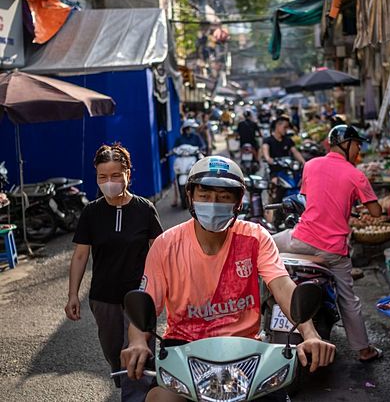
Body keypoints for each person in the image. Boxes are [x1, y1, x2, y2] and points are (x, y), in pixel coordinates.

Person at [120, 156, 335, 402]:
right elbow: (146, 301)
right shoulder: (166, 245)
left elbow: (282, 285)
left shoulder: (256, 237)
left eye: (224, 196)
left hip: (246, 350)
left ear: (238, 202)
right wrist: (137, 342)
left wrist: (310, 334)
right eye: (205, 194)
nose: (213, 203)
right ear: (190, 196)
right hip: (183, 349)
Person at [272, 125, 384, 363]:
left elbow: (309, 197)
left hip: (299, 242)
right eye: (357, 144)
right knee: (348, 298)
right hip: (333, 253)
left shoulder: (310, 165)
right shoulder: (356, 174)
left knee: (265, 245)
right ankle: (364, 350)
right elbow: (375, 212)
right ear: (346, 144)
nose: (359, 149)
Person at [65, 143, 163, 402]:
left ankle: (137, 394)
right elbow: (80, 255)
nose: (109, 182)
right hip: (103, 296)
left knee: (138, 353)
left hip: (140, 297)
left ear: (128, 173)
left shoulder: (144, 209)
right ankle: (123, 375)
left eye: (116, 175)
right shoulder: (91, 212)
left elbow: (159, 252)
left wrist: (164, 290)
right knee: (113, 350)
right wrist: (72, 294)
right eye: (102, 177)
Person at [171, 119, 205, 207]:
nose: (193, 129)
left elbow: (202, 146)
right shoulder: (180, 139)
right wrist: (172, 151)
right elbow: (174, 148)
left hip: (193, 159)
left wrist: (201, 150)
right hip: (182, 161)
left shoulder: (196, 137)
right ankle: (176, 198)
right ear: (187, 128)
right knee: (175, 178)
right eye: (191, 128)